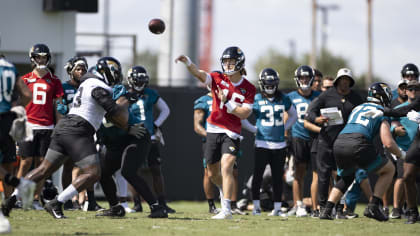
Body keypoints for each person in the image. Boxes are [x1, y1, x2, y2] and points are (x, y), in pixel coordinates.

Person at [3, 56, 147, 219]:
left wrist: (124, 121)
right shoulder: (98, 86)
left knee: (43, 169)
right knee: (93, 173)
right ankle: (57, 203)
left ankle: (11, 200)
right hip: (78, 130)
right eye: (114, 72)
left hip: (64, 127)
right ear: (106, 72)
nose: (116, 76)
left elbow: (109, 114)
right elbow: (114, 113)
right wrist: (127, 116)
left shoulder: (87, 83)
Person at [175, 46, 256, 219]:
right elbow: (198, 73)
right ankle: (223, 190)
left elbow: (245, 113)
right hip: (213, 129)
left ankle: (226, 209)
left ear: (239, 62)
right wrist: (187, 62)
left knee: (227, 167)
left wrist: (227, 102)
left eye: (231, 61)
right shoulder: (217, 77)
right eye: (225, 61)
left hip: (232, 132)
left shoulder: (248, 87)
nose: (227, 65)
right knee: (212, 173)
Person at [319, 82, 404, 222]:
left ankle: (327, 210)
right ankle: (373, 206)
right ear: (383, 96)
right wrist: (401, 154)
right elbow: (387, 142)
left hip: (339, 142)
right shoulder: (382, 111)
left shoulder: (358, 108)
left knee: (346, 177)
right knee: (388, 170)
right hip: (358, 142)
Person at [95, 65, 168, 218]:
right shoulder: (91, 95)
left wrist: (128, 128)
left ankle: (157, 207)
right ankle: (116, 207)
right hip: (117, 140)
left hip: (136, 135)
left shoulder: (117, 91)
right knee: (103, 173)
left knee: (128, 171)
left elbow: (115, 113)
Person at [304, 68, 364, 214]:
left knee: (344, 176)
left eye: (347, 81)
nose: (344, 83)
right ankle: (323, 207)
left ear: (350, 83)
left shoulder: (356, 98)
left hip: (346, 143)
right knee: (323, 176)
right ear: (337, 81)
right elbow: (310, 112)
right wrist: (316, 119)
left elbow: (364, 113)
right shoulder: (326, 95)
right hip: (326, 140)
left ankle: (339, 208)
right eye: (342, 80)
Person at [241, 68, 297, 217]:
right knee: (258, 176)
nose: (270, 85)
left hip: (279, 144)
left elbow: (294, 115)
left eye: (272, 83)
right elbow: (242, 116)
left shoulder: (283, 98)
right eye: (267, 82)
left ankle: (277, 208)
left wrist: (284, 127)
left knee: (278, 178)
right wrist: (253, 129)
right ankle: (256, 207)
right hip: (262, 143)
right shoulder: (256, 98)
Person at [15, 43, 64, 210]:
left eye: (44, 57)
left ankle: (35, 199)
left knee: (43, 165)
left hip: (47, 126)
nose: (41, 59)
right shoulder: (25, 79)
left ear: (48, 58)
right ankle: (17, 197)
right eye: (38, 56)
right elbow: (19, 103)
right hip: (28, 125)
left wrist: (60, 126)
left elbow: (58, 105)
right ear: (32, 58)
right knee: (25, 162)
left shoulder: (55, 80)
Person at [126, 66, 174, 214]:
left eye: (142, 79)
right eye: (137, 79)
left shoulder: (151, 93)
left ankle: (162, 203)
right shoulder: (125, 95)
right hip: (134, 137)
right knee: (133, 171)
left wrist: (156, 124)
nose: (140, 82)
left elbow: (166, 110)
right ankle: (137, 204)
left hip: (151, 138)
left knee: (156, 170)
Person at [0, 54, 36, 233]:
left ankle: (20, 184)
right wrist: (15, 107)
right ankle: (5, 214)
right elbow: (27, 95)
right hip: (7, 119)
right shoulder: (10, 67)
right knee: (7, 164)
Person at [286, 65, 320, 217]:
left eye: (307, 77)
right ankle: (298, 204)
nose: (304, 80)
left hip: (315, 138)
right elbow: (285, 118)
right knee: (298, 173)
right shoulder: (291, 97)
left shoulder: (319, 96)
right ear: (297, 79)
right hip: (298, 138)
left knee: (317, 174)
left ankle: (316, 206)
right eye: (302, 77)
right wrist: (285, 136)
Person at [387, 80, 420, 220]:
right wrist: (394, 129)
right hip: (408, 148)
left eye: (416, 89)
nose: (413, 91)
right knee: (405, 177)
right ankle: (408, 211)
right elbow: (393, 120)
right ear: (405, 91)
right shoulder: (403, 107)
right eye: (410, 88)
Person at [193, 88, 220, 213]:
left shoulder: (229, 98)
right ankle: (211, 205)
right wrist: (210, 136)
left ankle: (231, 204)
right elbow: (197, 126)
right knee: (209, 173)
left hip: (227, 138)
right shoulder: (203, 101)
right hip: (210, 140)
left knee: (230, 171)